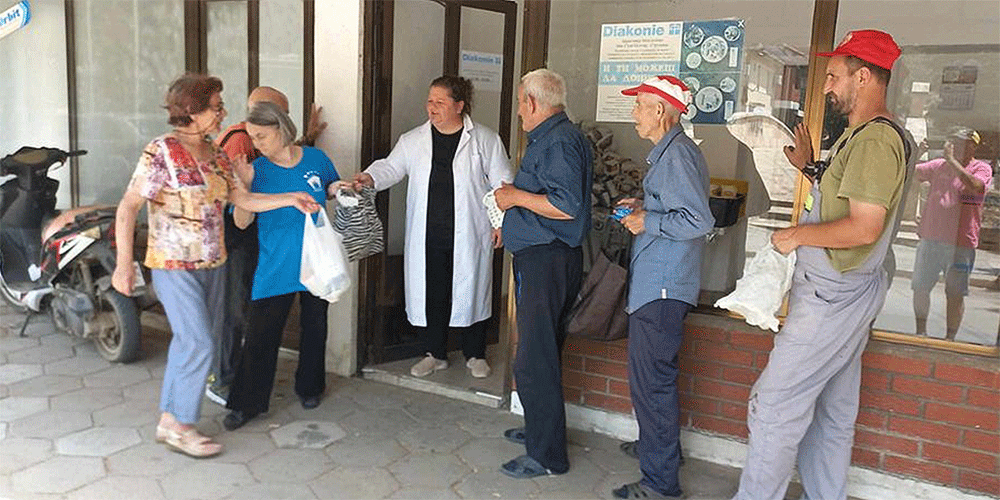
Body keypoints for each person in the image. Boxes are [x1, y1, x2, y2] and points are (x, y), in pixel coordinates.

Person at [732, 30, 908, 500]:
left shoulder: (875, 142)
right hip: (848, 293)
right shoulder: (870, 135)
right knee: (832, 412)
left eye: (834, 76)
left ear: (865, 76)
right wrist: (811, 170)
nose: (826, 87)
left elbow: (864, 226)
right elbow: (844, 199)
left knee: (772, 407)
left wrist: (796, 235)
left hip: (831, 298)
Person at [112, 74, 320, 458]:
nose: (224, 113)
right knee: (199, 342)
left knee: (190, 341)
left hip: (214, 264)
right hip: (173, 264)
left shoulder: (217, 153)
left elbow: (244, 199)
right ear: (191, 111)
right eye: (217, 106)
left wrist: (292, 197)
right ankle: (182, 425)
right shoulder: (162, 151)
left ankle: (168, 420)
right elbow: (128, 207)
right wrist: (124, 264)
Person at [353, 76, 512, 379]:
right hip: (429, 232)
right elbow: (391, 167)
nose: (432, 108)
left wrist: (500, 222)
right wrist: (369, 178)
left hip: (470, 232)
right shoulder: (413, 140)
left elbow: (503, 183)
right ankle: (434, 353)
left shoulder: (485, 140)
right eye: (429, 101)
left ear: (460, 105)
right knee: (433, 292)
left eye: (440, 102)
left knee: (473, 290)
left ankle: (475, 353)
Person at [612, 76, 714, 499]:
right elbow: (678, 207)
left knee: (651, 383)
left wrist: (646, 221)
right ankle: (658, 449)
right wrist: (645, 207)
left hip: (663, 289)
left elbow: (699, 221)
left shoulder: (677, 156)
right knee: (654, 379)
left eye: (640, 105)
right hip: (661, 285)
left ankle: (660, 484)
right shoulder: (672, 153)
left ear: (662, 111)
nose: (634, 112)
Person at [494, 68, 592, 478]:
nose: (518, 111)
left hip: (547, 259)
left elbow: (567, 206)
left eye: (520, 103)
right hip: (544, 256)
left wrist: (514, 196)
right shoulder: (557, 137)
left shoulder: (558, 141)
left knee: (535, 357)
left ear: (532, 102)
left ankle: (547, 456)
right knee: (540, 352)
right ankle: (540, 430)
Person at [222, 101, 342, 430]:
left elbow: (329, 189)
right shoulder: (256, 171)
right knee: (261, 334)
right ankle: (246, 404)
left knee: (315, 326)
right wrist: (243, 185)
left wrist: (341, 188)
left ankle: (310, 387)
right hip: (275, 264)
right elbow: (243, 223)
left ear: (281, 128)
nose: (255, 144)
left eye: (261, 136)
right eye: (252, 137)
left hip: (316, 261)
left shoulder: (316, 159)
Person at [206, 86, 327, 406]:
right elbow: (241, 200)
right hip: (237, 239)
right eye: (283, 113)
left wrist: (309, 140)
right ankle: (223, 378)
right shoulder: (240, 141)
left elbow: (290, 165)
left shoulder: (299, 155)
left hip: (268, 242)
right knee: (236, 311)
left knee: (264, 313)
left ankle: (300, 387)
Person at [911, 127, 992, 340]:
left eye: (962, 143)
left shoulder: (981, 168)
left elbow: (976, 186)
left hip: (960, 244)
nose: (956, 146)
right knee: (920, 287)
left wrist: (953, 163)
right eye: (953, 141)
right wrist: (917, 154)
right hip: (931, 239)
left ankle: (950, 339)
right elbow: (911, 173)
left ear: (973, 146)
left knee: (955, 294)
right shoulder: (939, 166)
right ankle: (921, 333)